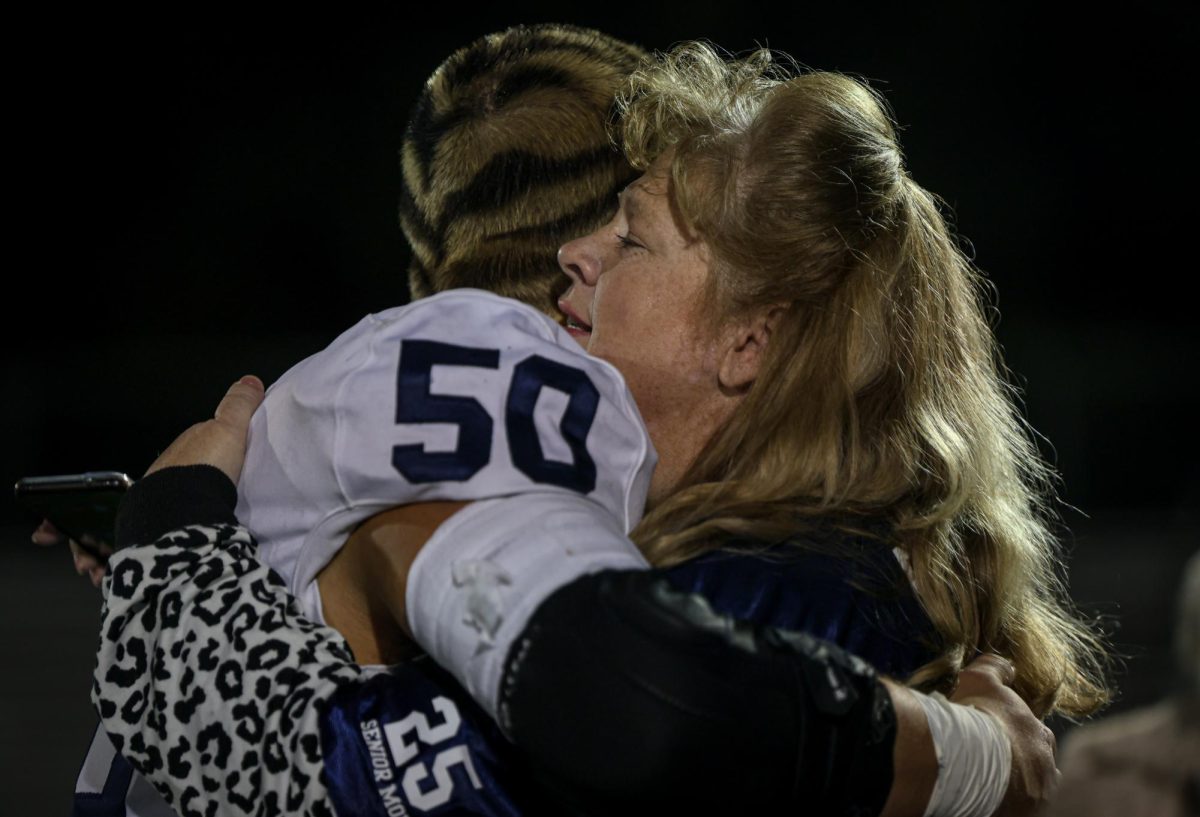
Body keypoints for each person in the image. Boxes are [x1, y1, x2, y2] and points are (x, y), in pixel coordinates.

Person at [79, 31, 1075, 817]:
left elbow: (322, 777)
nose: (573, 254)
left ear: (750, 344)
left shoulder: (789, 588)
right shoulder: (775, 557)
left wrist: (179, 552)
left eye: (632, 234)